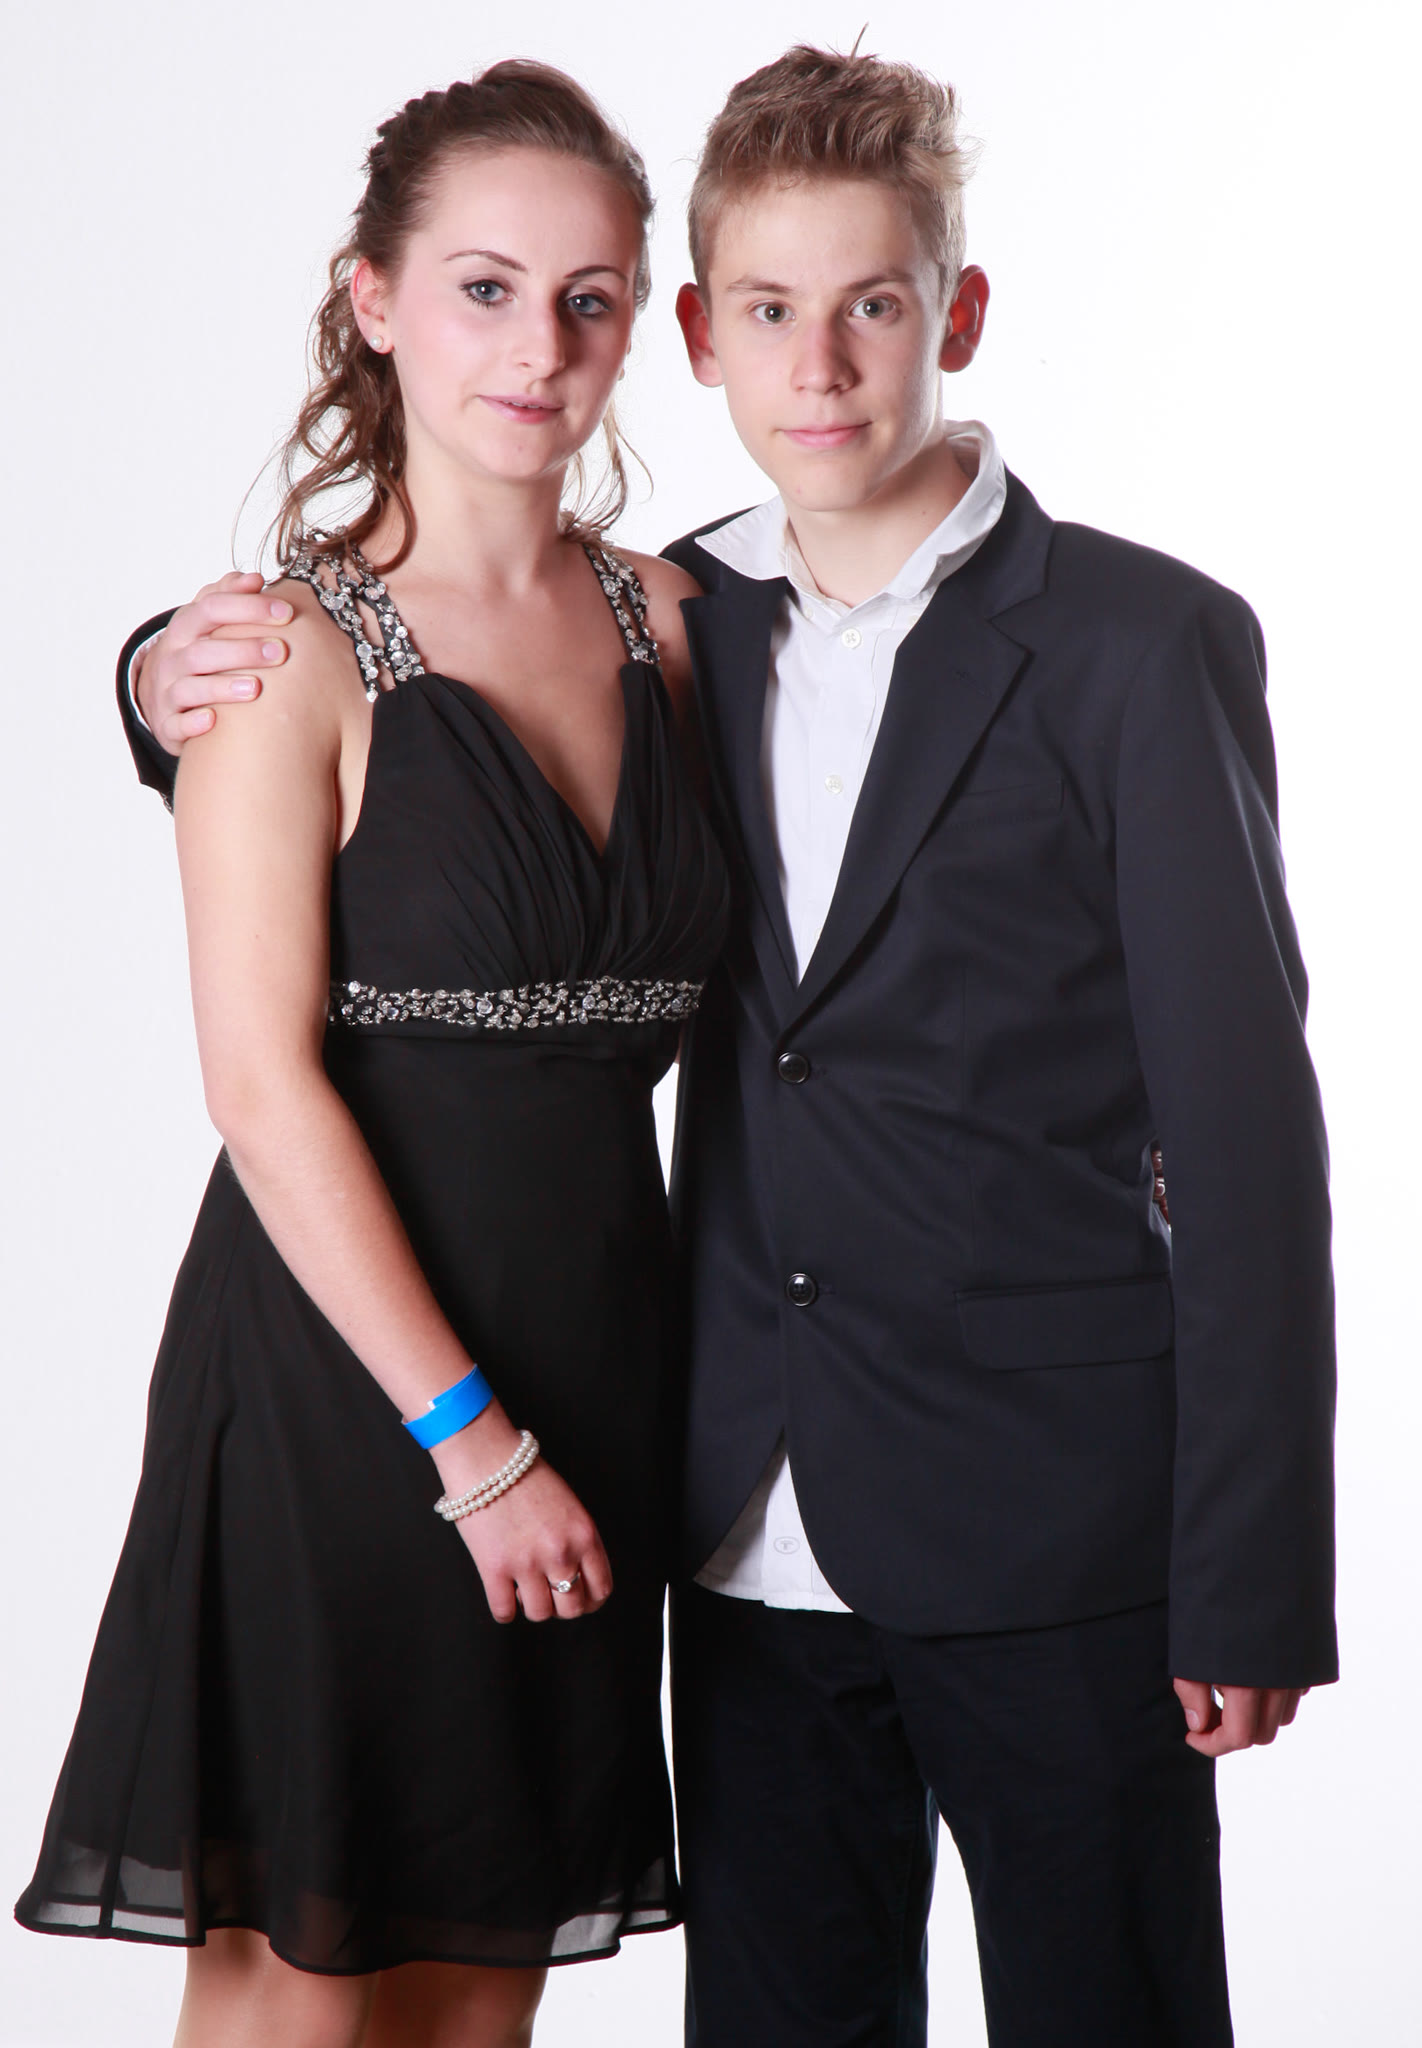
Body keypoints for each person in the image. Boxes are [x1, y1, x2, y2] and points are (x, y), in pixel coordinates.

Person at [110, 42, 1337, 2048]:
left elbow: (1250, 1141)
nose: (820, 368)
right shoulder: (676, 619)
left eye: (872, 307)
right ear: (702, 336)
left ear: (955, 312)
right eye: (766, 312)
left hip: (997, 1503)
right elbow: (346, 835)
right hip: (652, 1485)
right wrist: (156, 674)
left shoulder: (1043, 638)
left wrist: (1255, 1569)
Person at [16, 60, 726, 2048]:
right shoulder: (278, 654)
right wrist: (472, 1449)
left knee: (485, 1993)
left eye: (588, 299)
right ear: (375, 299)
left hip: (604, 1361)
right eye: (485, 288)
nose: (538, 347)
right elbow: (259, 1089)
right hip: (355, 1392)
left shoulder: (684, 624)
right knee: (299, 1994)